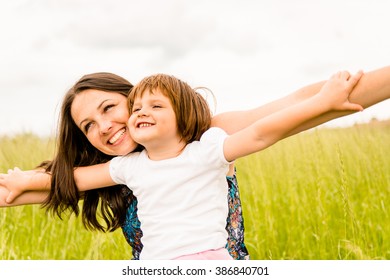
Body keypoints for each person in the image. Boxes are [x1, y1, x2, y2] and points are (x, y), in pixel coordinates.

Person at [1, 65, 390, 258]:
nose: (104, 127)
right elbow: (40, 186)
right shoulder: (120, 170)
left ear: (135, 99)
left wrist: (331, 97)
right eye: (88, 125)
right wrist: (20, 181)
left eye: (109, 108)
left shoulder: (204, 138)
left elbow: (291, 107)